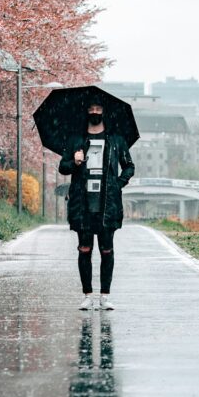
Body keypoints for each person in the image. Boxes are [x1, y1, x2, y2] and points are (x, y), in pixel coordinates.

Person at [59, 101, 134, 311]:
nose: (94, 112)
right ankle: (87, 295)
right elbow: (62, 167)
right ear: (86, 112)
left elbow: (129, 166)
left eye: (98, 109)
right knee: (84, 249)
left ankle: (105, 296)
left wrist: (118, 184)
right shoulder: (76, 140)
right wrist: (74, 162)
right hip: (82, 203)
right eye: (91, 109)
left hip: (107, 204)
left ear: (104, 112)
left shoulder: (116, 140)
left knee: (106, 250)